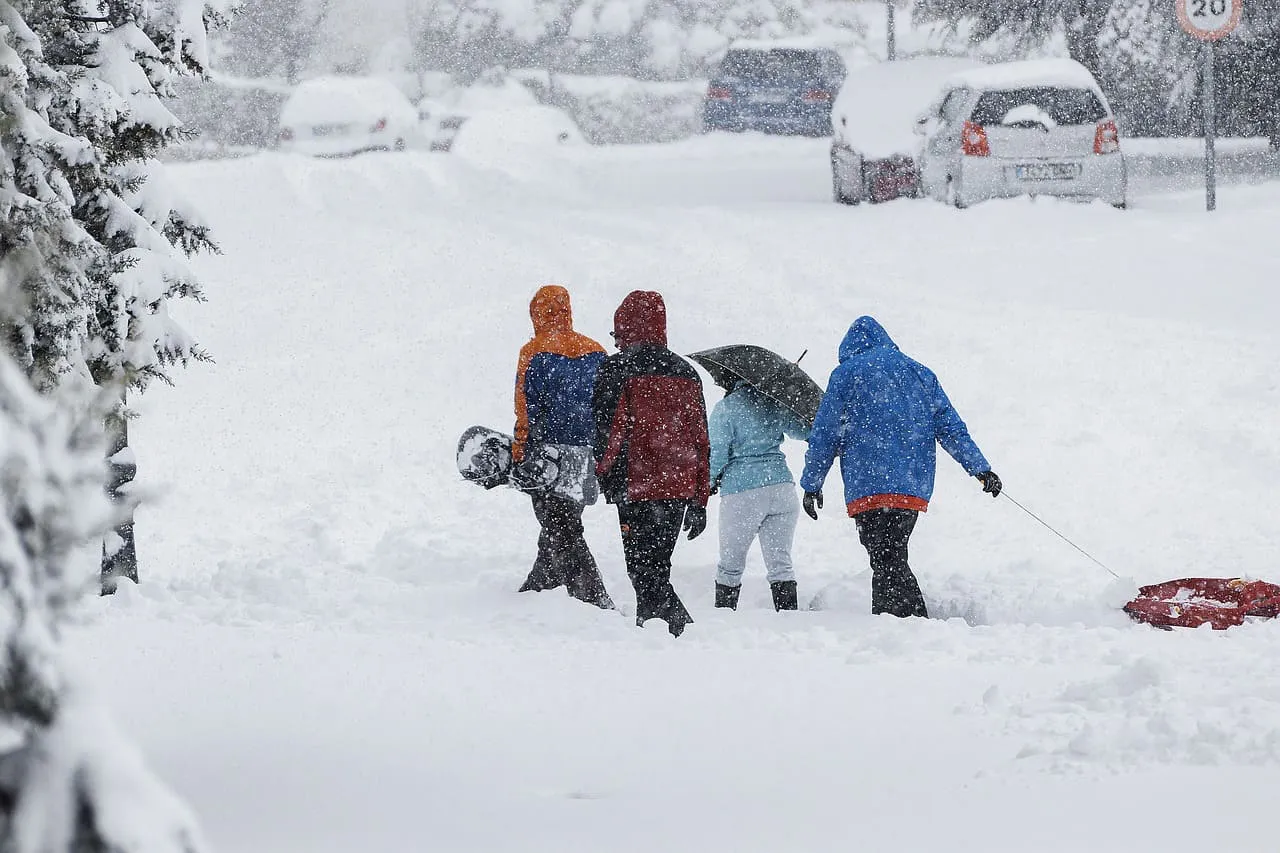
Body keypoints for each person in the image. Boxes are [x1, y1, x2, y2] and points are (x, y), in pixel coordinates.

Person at [798, 316, 1001, 619]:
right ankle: (901, 621)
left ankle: (905, 621)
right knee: (891, 554)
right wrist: (980, 468)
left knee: (885, 558)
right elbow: (950, 427)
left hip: (866, 484)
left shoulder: (845, 375)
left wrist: (812, 483)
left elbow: (825, 435)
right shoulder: (920, 373)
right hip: (911, 484)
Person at [593, 290, 709, 637]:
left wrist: (601, 473)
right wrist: (700, 499)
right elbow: (701, 438)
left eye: (617, 335)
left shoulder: (616, 369)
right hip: (678, 485)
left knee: (643, 571)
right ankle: (655, 636)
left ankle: (675, 634)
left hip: (636, 485)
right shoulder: (688, 373)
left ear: (626, 328)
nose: (615, 343)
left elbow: (608, 431)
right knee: (656, 567)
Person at [512, 285, 613, 610]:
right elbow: (608, 404)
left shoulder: (534, 351)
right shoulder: (596, 350)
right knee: (561, 519)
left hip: (550, 453)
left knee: (562, 526)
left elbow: (524, 408)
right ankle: (541, 582)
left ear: (537, 314)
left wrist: (519, 448)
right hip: (588, 454)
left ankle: (593, 599)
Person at [708, 379, 809, 611]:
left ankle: (723, 618)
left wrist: (708, 483)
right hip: (782, 488)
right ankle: (788, 618)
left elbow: (718, 453)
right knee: (780, 564)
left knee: (730, 565)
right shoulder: (774, 402)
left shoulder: (726, 408)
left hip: (743, 492)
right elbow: (804, 431)